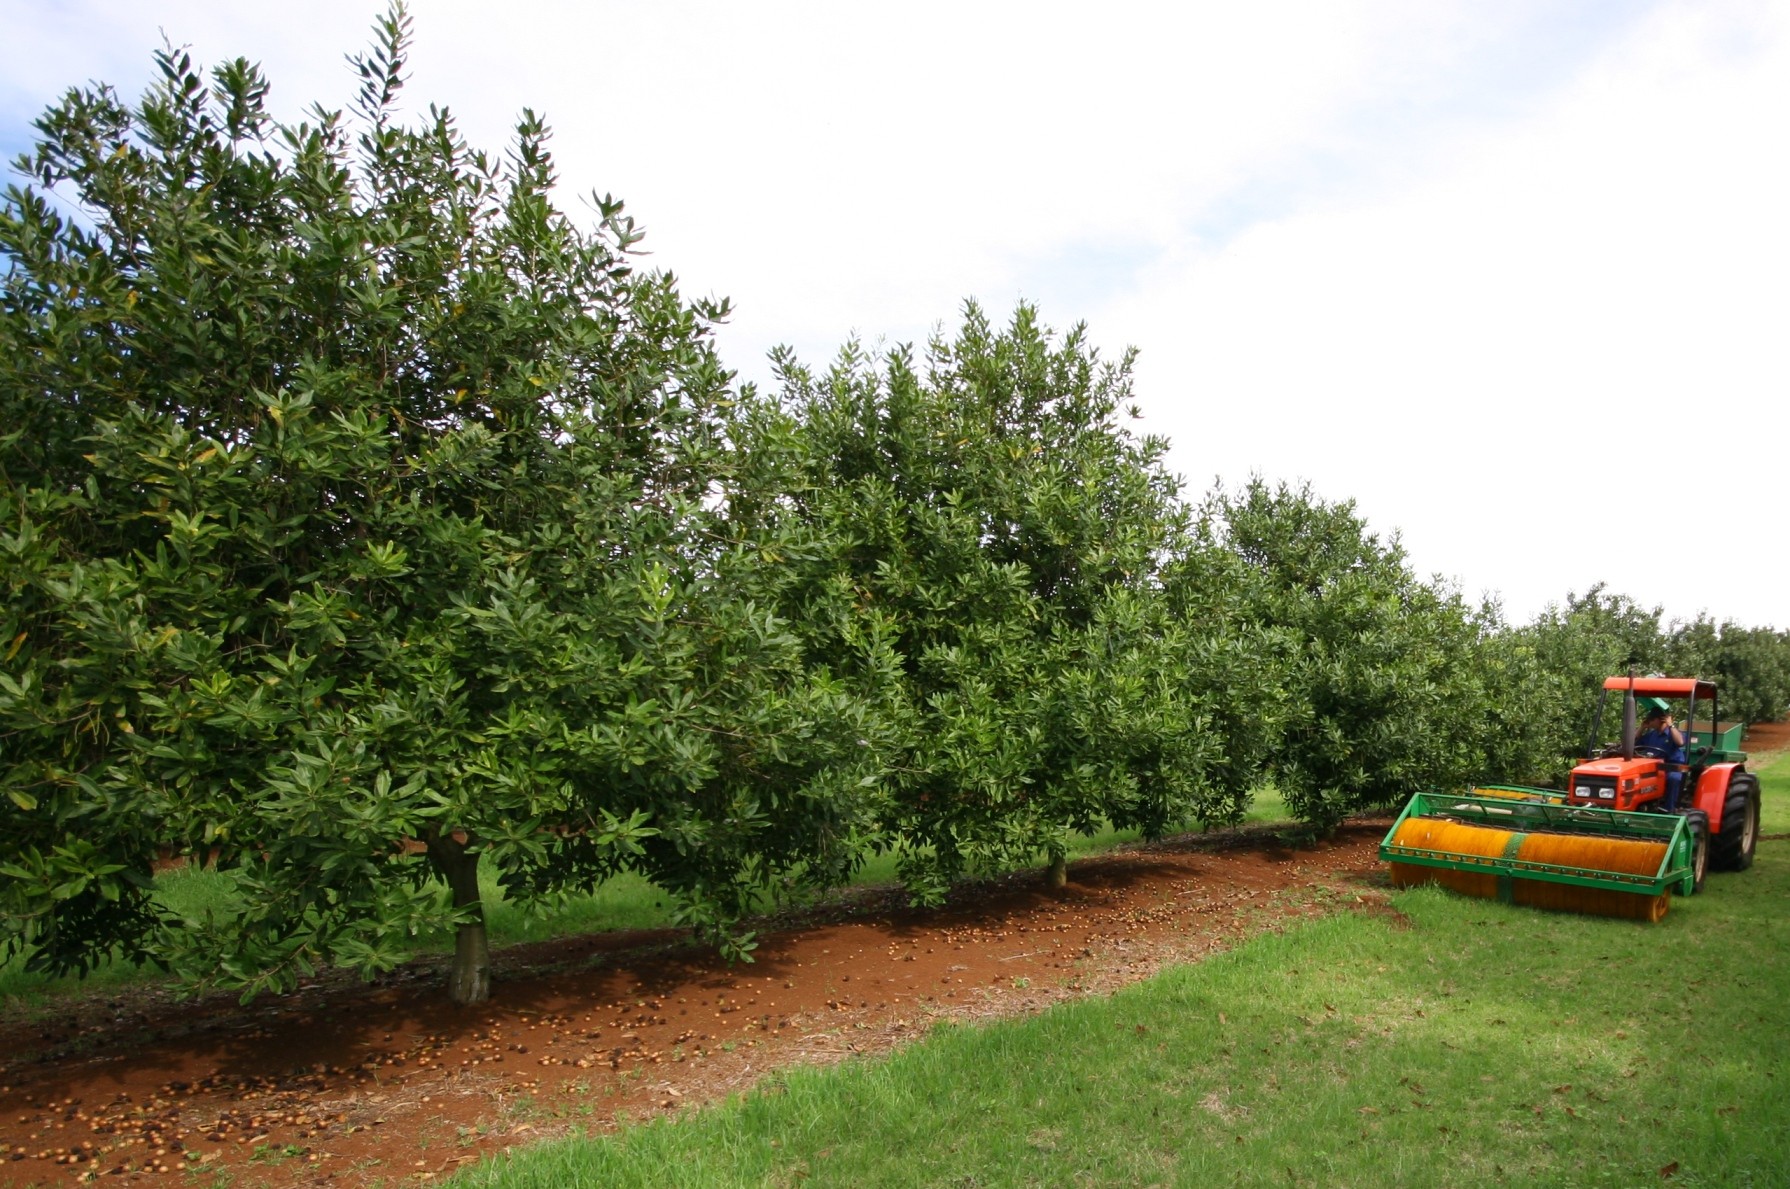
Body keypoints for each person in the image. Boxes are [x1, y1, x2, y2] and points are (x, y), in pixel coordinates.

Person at [1636, 707, 1688, 810]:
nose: (1649, 722)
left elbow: (1680, 742)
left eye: (1651, 719)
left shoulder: (1673, 733)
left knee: (1673, 778)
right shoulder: (1651, 735)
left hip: (1672, 767)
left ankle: (1670, 810)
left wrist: (1671, 725)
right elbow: (1634, 741)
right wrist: (1642, 728)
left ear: (1660, 719)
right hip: (1654, 767)